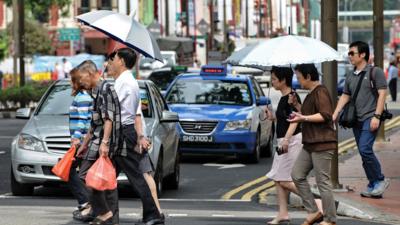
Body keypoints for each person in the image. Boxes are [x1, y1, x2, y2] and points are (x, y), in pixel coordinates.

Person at [106, 48, 164, 225]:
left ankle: (153, 215)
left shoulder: (125, 83)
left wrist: (106, 140)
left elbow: (116, 112)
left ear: (122, 61)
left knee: (137, 176)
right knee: (106, 174)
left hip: (124, 133)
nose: (110, 62)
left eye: (113, 59)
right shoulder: (123, 81)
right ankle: (102, 212)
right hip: (125, 132)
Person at [333, 41, 389, 198]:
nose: (349, 56)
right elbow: (346, 95)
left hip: (370, 116)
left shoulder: (375, 72)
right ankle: (372, 184)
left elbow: (382, 93)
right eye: (349, 53)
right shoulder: (351, 74)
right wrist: (336, 112)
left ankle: (379, 180)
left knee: (365, 149)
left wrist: (377, 116)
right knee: (363, 152)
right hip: (355, 119)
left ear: (363, 54)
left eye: (352, 53)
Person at [266, 66, 322, 225]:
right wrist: (272, 118)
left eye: (274, 79)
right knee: (278, 178)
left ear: (283, 80)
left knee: (283, 179)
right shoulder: (284, 97)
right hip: (285, 140)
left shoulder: (291, 96)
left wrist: (286, 140)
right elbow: (285, 119)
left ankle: (317, 204)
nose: (272, 82)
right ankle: (283, 213)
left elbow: (294, 120)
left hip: (291, 141)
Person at [289, 64, 337, 225]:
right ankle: (314, 211)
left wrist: (303, 118)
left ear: (308, 77)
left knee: (322, 182)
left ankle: (330, 219)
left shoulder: (321, 91)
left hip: (322, 143)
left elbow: (325, 115)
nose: (297, 80)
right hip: (310, 143)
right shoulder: (311, 94)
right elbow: (309, 113)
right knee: (297, 174)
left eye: (299, 76)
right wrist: (297, 106)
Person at [76, 60, 121, 225]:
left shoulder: (105, 89)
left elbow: (109, 118)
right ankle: (105, 215)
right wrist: (84, 144)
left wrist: (105, 143)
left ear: (89, 73)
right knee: (97, 179)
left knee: (95, 178)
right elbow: (94, 122)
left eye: (82, 78)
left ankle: (106, 214)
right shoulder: (95, 91)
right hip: (95, 140)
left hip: (104, 142)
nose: (81, 82)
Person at [68, 68, 93, 222]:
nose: (70, 83)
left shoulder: (83, 97)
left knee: (71, 171)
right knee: (81, 173)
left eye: (72, 80)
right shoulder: (82, 96)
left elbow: (83, 120)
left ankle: (86, 203)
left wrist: (77, 139)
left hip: (83, 142)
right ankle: (86, 204)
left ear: (77, 82)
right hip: (83, 141)